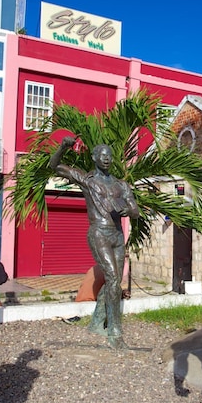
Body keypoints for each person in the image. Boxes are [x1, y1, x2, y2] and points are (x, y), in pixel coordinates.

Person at [49, 135, 140, 349]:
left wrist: (129, 211)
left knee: (113, 281)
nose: (107, 159)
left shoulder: (121, 185)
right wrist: (63, 146)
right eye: (102, 155)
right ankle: (115, 334)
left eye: (109, 156)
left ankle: (97, 323)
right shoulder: (87, 180)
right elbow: (54, 166)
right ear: (94, 158)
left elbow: (135, 209)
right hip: (99, 232)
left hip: (117, 235)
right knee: (111, 277)